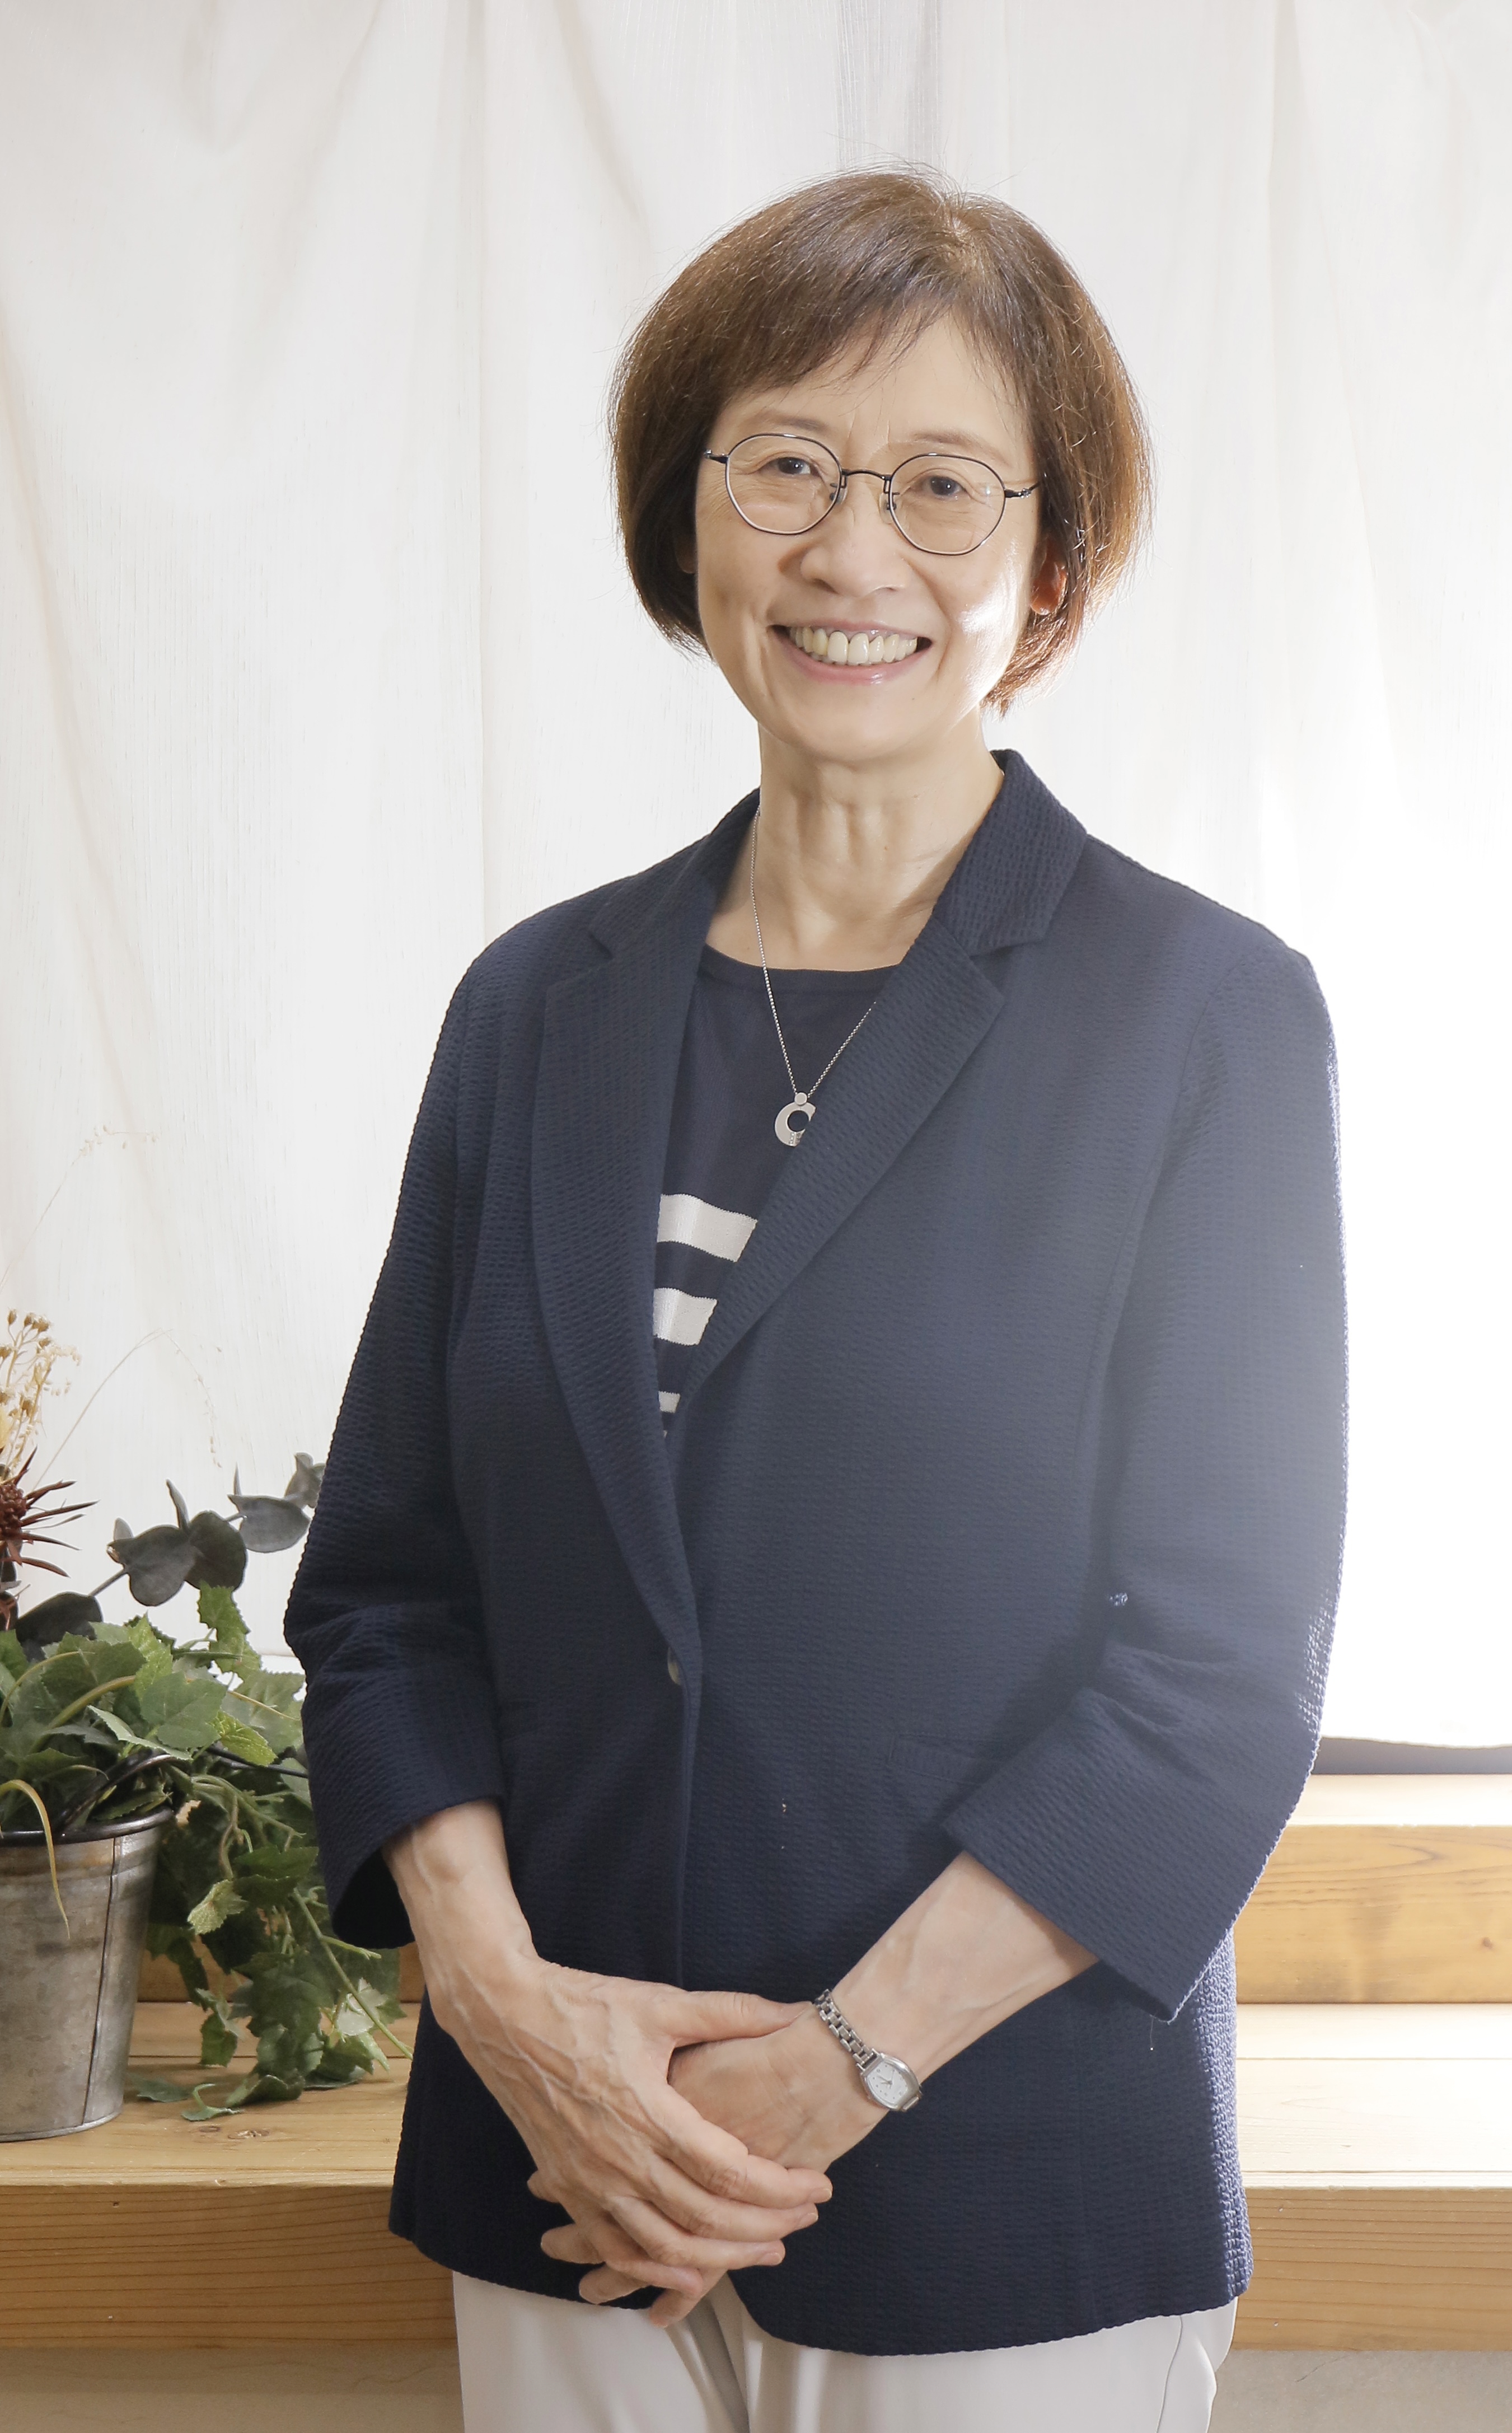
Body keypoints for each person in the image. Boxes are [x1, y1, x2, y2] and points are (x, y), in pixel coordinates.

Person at [285, 169, 1347, 2433]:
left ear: (1048, 573)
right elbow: (384, 1590)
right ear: (688, 520)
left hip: (1003, 2177)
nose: (853, 550)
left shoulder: (1202, 1019)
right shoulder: (533, 1009)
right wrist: (509, 2011)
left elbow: (1217, 1672)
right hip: (562, 2162)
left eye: (942, 486)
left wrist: (839, 2064)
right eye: (784, 463)